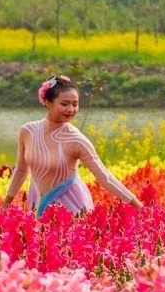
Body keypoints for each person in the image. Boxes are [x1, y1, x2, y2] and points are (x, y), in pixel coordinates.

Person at [7, 76, 143, 217]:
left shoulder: (76, 140)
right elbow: (21, 170)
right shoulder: (28, 131)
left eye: (75, 104)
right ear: (48, 102)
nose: (71, 109)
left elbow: (105, 178)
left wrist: (139, 207)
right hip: (37, 203)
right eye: (65, 104)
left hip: (72, 208)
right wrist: (6, 204)